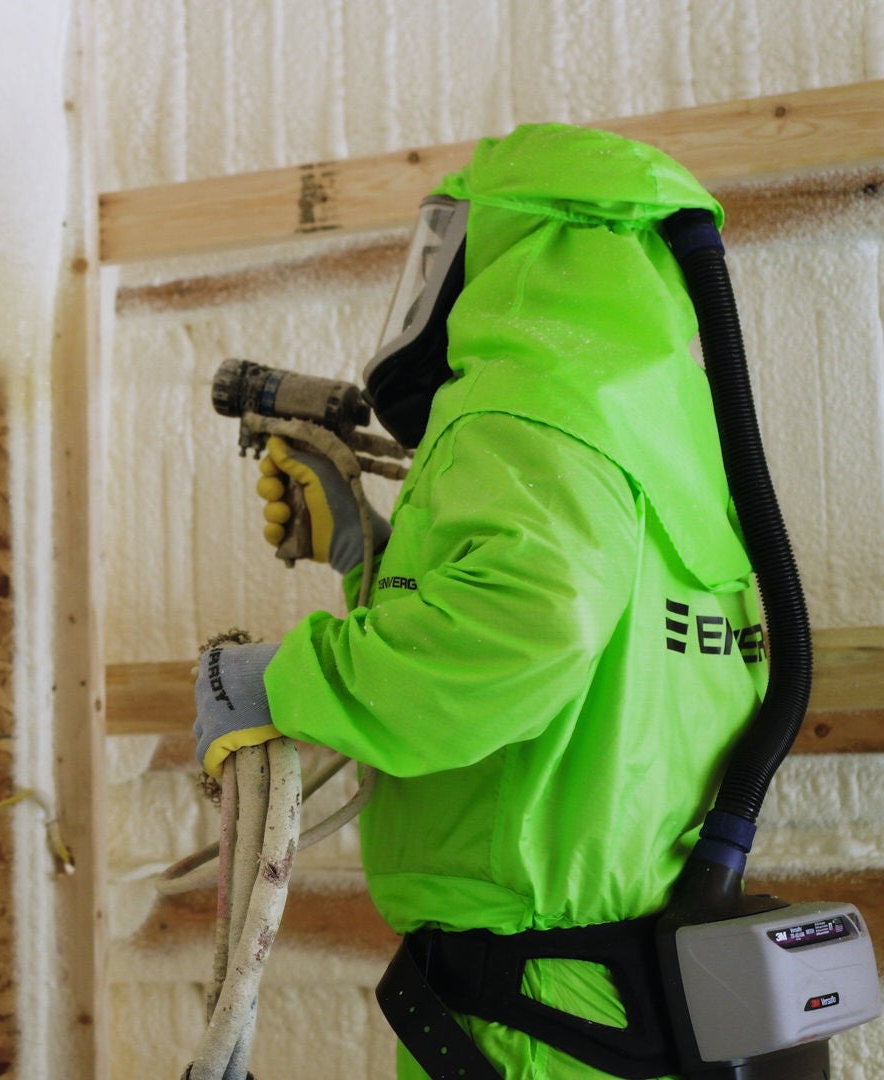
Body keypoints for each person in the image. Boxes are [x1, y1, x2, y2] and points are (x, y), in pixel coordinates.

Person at [194, 124, 767, 1080]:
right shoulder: (662, 438)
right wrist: (366, 557)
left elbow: (521, 634)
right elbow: (577, 672)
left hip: (529, 1018)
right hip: (626, 999)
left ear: (522, 248)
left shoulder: (521, 415)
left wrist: (278, 680)